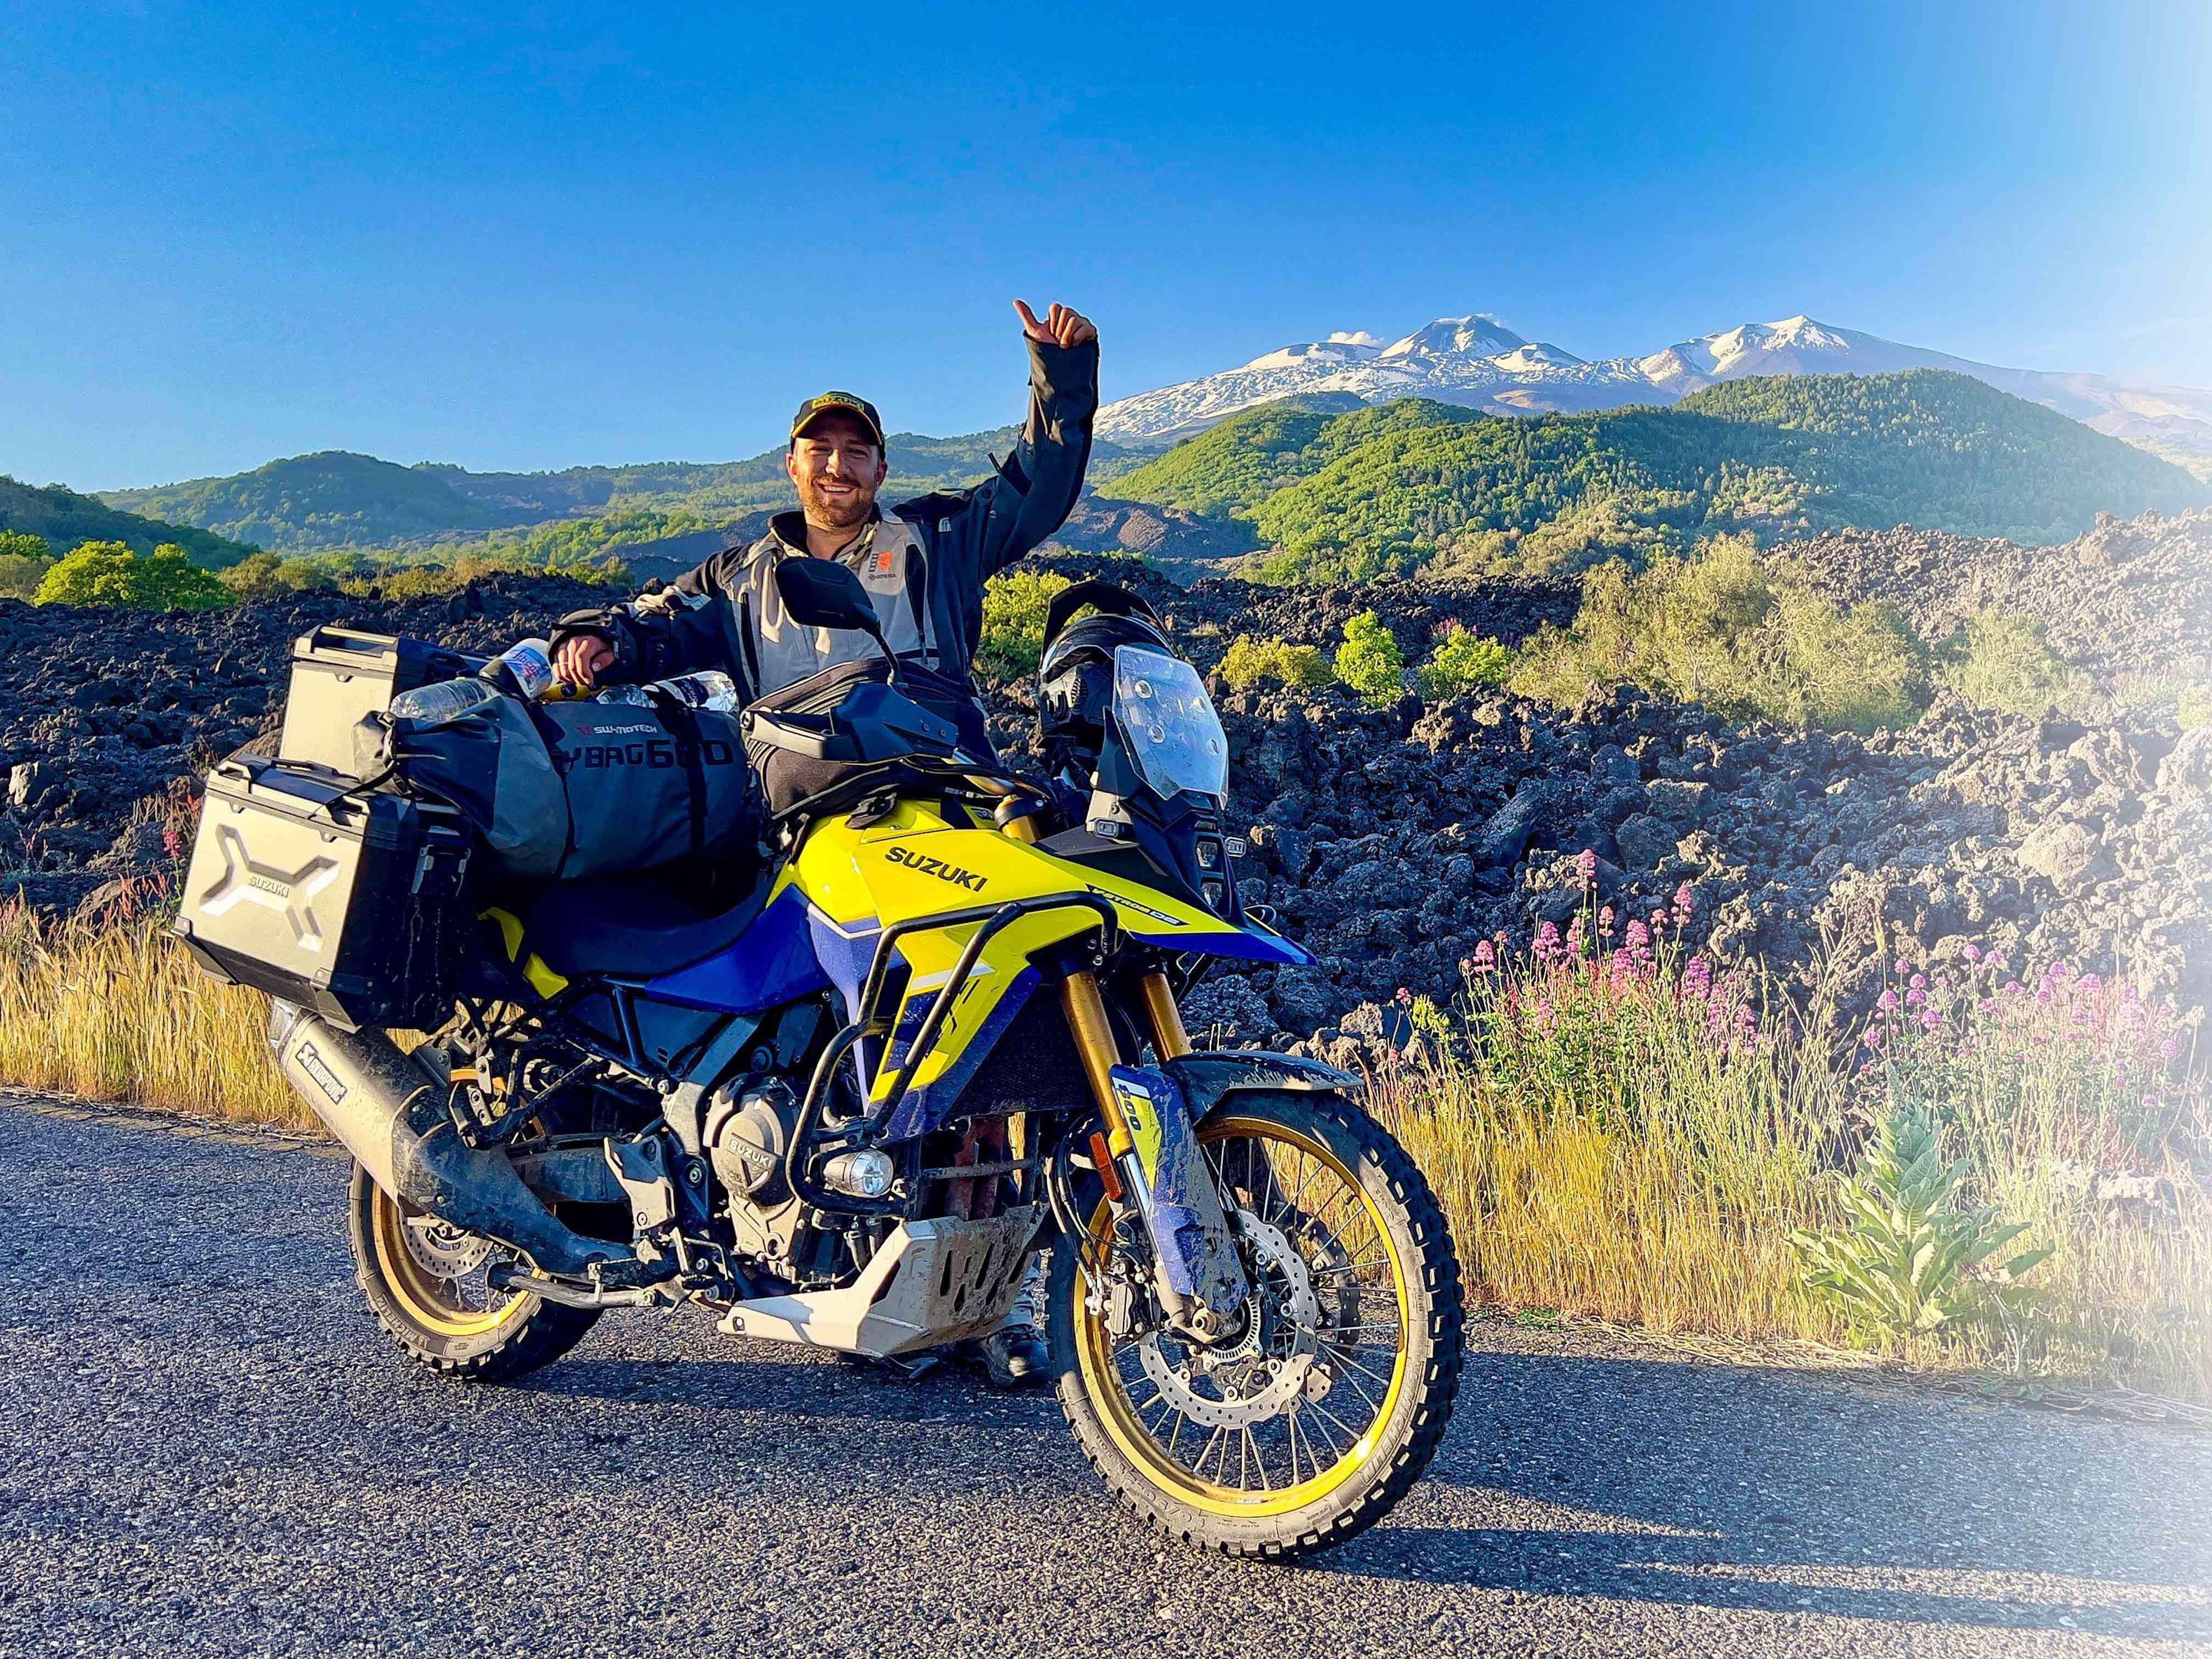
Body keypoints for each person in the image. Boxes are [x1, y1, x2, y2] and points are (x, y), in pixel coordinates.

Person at [546, 299, 1100, 1389]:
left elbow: (1040, 486)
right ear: (793, 463)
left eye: (857, 448)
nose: (838, 464)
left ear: (882, 464)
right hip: (808, 832)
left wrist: (1062, 379)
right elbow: (660, 622)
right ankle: (846, 1258)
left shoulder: (936, 541)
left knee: (978, 1059)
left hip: (941, 812)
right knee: (847, 1063)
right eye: (820, 447)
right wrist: (597, 639)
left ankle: (982, 1311)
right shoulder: (742, 576)